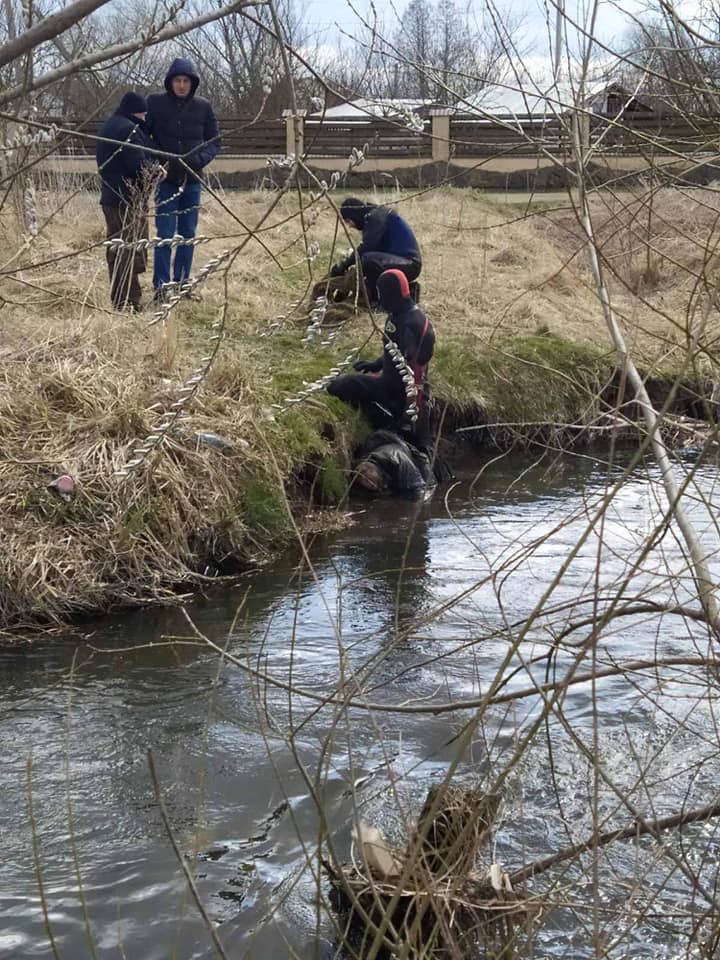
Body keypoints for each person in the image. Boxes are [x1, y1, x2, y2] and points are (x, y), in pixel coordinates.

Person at [327, 268, 435, 447]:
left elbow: (413, 370)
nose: (379, 300)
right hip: (394, 386)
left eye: (382, 294)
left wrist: (408, 413)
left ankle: (390, 422)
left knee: (338, 385)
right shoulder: (400, 315)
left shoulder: (412, 325)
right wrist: (376, 364)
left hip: (399, 395)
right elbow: (396, 354)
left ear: (392, 295)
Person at [145, 57, 220, 300]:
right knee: (165, 235)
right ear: (170, 82)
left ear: (192, 83)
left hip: (192, 180)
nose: (181, 85)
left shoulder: (203, 106)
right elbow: (143, 137)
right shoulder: (154, 103)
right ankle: (161, 288)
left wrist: (200, 159)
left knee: (188, 233)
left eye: (186, 81)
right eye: (177, 80)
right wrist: (158, 162)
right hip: (165, 181)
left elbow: (214, 141)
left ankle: (182, 285)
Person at [95, 91, 157, 311]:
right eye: (143, 114)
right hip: (128, 199)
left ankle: (119, 297)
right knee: (130, 250)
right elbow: (138, 166)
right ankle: (129, 302)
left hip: (110, 198)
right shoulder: (129, 130)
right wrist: (156, 172)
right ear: (136, 112)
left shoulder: (109, 126)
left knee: (116, 249)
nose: (144, 118)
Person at [330, 197, 422, 304]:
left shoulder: (376, 217)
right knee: (368, 264)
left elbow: (366, 248)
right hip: (402, 261)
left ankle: (376, 300)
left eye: (349, 221)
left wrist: (342, 266)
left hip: (410, 264)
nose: (350, 226)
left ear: (354, 215)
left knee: (368, 260)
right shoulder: (375, 216)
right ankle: (406, 291)